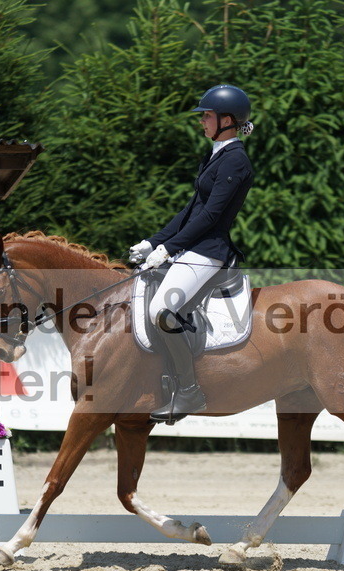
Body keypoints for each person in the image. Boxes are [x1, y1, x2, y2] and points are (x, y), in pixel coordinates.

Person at [128, 84, 255, 423]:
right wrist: (153, 242)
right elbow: (191, 210)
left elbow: (211, 215)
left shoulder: (236, 160)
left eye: (207, 116)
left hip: (209, 251)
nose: (202, 121)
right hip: (193, 248)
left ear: (227, 120)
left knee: (161, 310)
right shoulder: (216, 155)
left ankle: (188, 391)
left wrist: (170, 248)